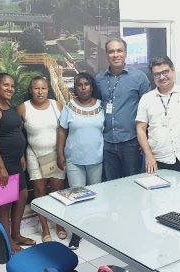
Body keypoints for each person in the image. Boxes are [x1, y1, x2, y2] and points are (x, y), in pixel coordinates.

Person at [0, 73, 34, 253]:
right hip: (3, 161)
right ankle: (6, 241)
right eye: (5, 85)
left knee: (23, 195)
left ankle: (16, 234)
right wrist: (1, 167)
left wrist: (22, 155)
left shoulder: (8, 105)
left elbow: (16, 130)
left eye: (12, 86)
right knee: (4, 204)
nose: (10, 88)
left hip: (16, 160)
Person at [56, 72, 104, 249]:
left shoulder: (101, 106)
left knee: (94, 196)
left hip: (96, 159)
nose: (83, 87)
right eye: (79, 85)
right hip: (74, 159)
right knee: (77, 197)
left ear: (92, 86)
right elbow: (62, 131)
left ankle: (92, 229)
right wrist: (60, 154)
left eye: (86, 84)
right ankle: (76, 234)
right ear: (75, 88)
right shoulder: (69, 106)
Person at [17, 76, 67, 243]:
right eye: (36, 88)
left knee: (56, 192)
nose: (40, 92)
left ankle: (59, 224)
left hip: (55, 154)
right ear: (31, 90)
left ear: (48, 89)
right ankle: (45, 228)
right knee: (39, 193)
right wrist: (21, 155)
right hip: (34, 155)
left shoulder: (56, 105)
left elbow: (65, 129)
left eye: (43, 88)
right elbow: (16, 134)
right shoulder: (23, 108)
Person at [136, 56, 180, 176]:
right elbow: (140, 129)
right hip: (157, 160)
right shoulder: (146, 99)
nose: (162, 77)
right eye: (157, 74)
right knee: (159, 194)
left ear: (172, 70)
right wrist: (149, 156)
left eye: (165, 72)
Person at [95, 38, 151, 181]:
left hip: (131, 142)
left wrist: (145, 138)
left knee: (132, 182)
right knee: (110, 183)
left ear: (125, 53)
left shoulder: (139, 77)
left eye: (119, 51)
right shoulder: (99, 79)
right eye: (111, 51)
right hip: (106, 142)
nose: (116, 55)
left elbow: (149, 110)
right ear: (106, 55)